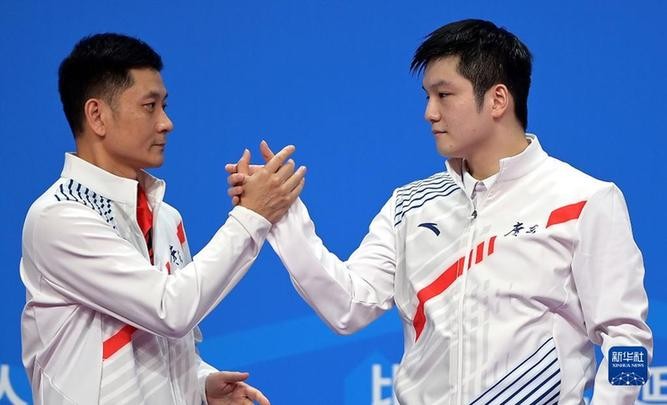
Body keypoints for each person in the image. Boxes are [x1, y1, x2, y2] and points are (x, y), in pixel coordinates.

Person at [227, 19, 653, 404]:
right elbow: (347, 306)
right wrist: (279, 215)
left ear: (498, 99)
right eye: (428, 96)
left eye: (444, 95)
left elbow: (628, 340)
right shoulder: (408, 205)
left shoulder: (585, 200)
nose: (429, 113)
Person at [20, 33, 305, 404]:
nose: (166, 122)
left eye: (164, 106)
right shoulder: (59, 217)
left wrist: (199, 385)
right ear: (97, 116)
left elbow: (172, 341)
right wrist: (252, 215)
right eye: (149, 106)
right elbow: (170, 309)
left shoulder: (166, 217)